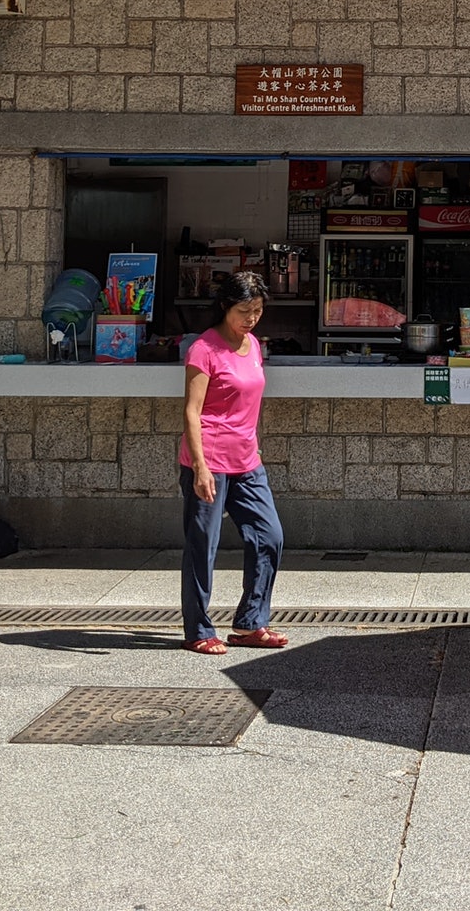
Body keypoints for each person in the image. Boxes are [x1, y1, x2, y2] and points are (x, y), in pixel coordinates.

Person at [178, 270, 287, 655]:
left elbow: (248, 404)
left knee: (269, 535)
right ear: (225, 307)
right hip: (208, 461)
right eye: (244, 310)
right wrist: (201, 466)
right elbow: (192, 412)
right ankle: (198, 629)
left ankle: (250, 623)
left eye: (257, 311)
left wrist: (254, 447)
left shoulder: (253, 345)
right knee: (202, 544)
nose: (251, 318)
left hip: (247, 461)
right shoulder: (203, 349)